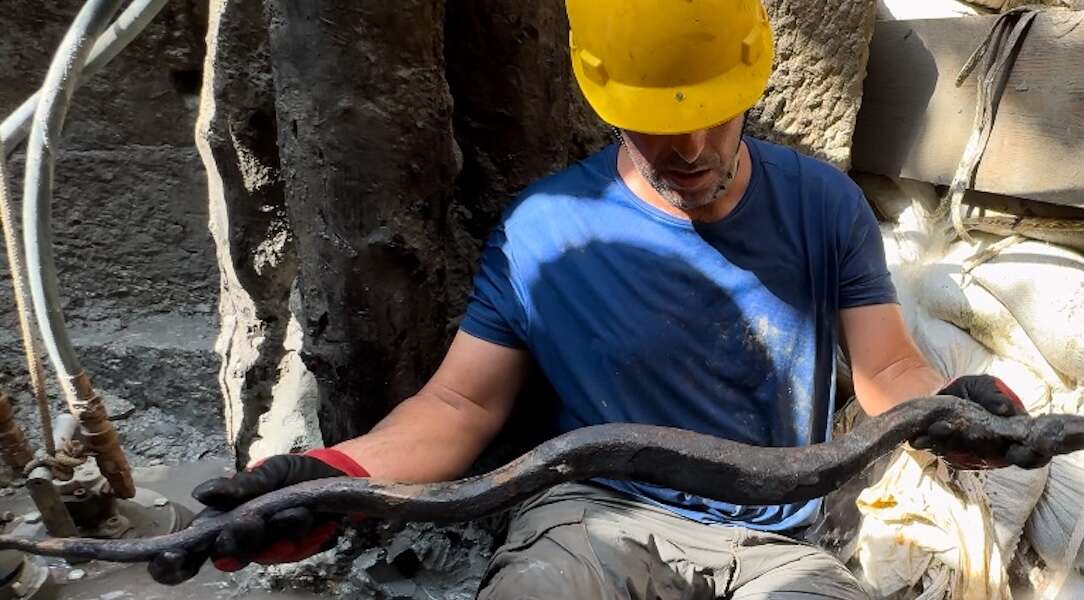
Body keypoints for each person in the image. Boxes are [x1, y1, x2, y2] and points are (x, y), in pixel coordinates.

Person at [148, 1, 1031, 597]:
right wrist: (337, 480)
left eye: (710, 111)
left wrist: (953, 416)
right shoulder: (545, 230)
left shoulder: (821, 205)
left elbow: (886, 367)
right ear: (602, 92)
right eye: (655, 117)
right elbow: (459, 404)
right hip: (589, 516)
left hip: (776, 537)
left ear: (752, 75)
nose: (685, 146)